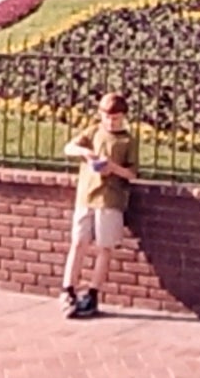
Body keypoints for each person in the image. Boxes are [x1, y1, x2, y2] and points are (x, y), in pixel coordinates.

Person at [59, 92, 138, 318]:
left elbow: (131, 173)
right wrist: (85, 152)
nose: (111, 122)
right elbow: (69, 148)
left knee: (105, 247)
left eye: (116, 118)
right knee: (79, 242)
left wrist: (113, 168)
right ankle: (68, 289)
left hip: (110, 198)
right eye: (107, 117)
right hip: (86, 195)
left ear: (123, 117)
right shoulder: (93, 131)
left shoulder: (127, 141)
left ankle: (93, 293)